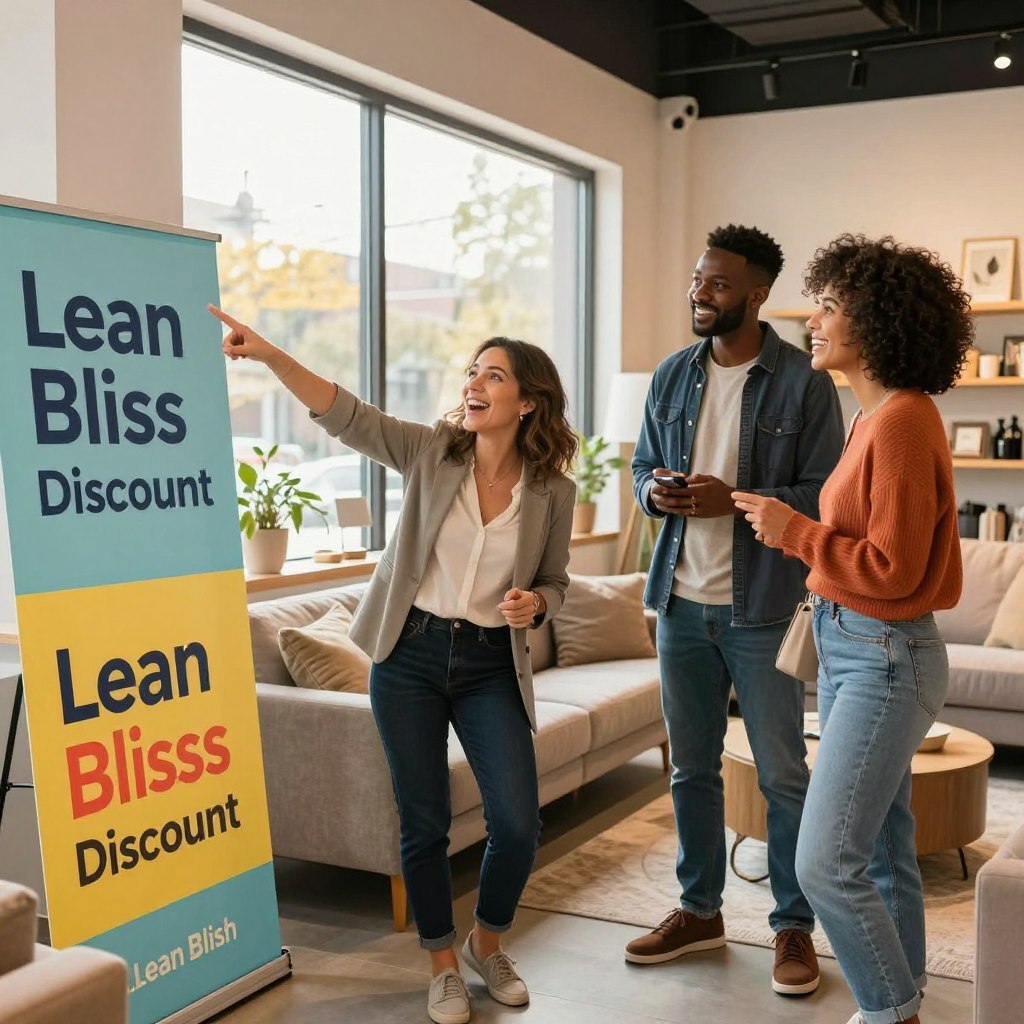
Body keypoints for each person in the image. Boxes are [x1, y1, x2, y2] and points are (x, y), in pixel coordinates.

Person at [209, 305, 577, 1024]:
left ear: (528, 401)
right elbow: (345, 414)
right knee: (424, 819)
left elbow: (557, 580)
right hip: (408, 656)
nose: (474, 384)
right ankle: (441, 964)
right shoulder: (432, 451)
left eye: (493, 376)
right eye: (472, 371)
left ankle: (485, 944)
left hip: (489, 665)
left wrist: (537, 603)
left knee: (516, 821)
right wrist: (273, 356)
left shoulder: (552, 492)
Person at [734, 234, 970, 1024]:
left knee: (826, 862)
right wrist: (797, 534)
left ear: (874, 323)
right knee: (882, 849)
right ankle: (904, 996)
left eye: (830, 306)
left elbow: (895, 570)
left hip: (884, 655)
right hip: (853, 647)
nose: (813, 320)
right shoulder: (872, 414)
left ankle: (889, 1011)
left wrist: (795, 530)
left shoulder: (901, 420)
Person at [625, 224, 844, 995]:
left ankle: (793, 927)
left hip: (764, 611)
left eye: (716, 284)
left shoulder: (804, 383)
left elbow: (825, 494)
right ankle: (699, 912)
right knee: (691, 769)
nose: (699, 293)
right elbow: (640, 465)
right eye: (697, 279)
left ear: (757, 294)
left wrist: (737, 501)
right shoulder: (671, 375)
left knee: (783, 775)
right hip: (679, 604)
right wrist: (653, 492)